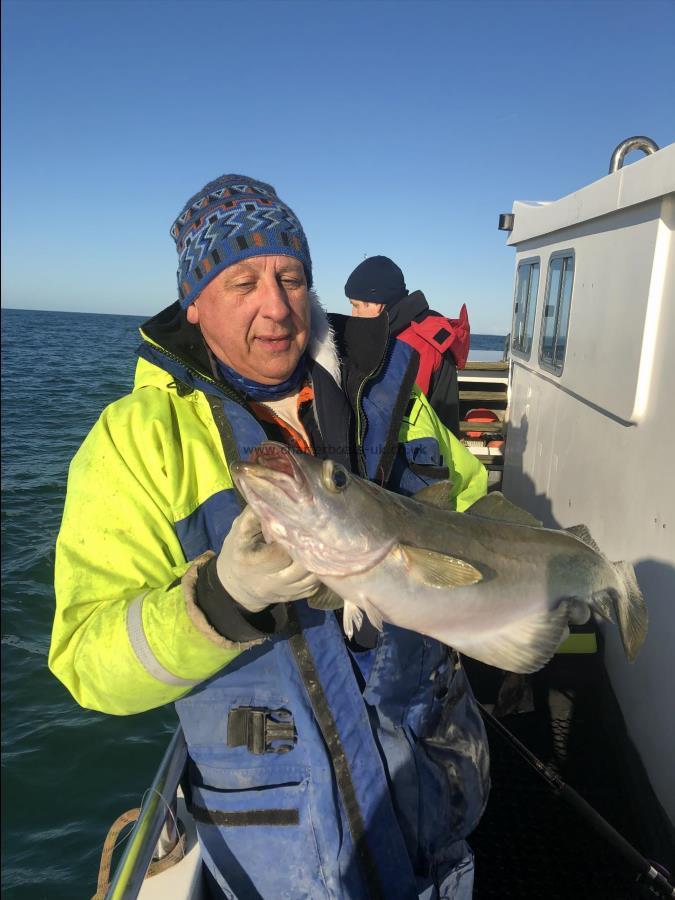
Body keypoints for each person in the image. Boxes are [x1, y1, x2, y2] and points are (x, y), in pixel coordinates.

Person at [50, 175, 489, 899]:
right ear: (194, 302)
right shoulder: (138, 439)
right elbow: (87, 662)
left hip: (433, 788)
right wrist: (218, 604)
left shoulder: (395, 393)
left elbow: (472, 509)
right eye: (241, 281)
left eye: (290, 276)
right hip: (281, 839)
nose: (276, 304)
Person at [345, 255, 470, 438]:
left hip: (414, 456)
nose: (353, 314)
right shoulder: (423, 332)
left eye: (356, 306)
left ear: (377, 304)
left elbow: (393, 418)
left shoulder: (408, 346)